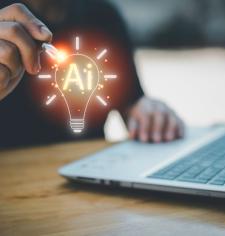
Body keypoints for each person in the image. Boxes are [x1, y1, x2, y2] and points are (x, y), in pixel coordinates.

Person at [0, 0, 184, 148]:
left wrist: (148, 112)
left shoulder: (104, 16)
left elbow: (131, 102)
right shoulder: (4, 20)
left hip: (90, 171)